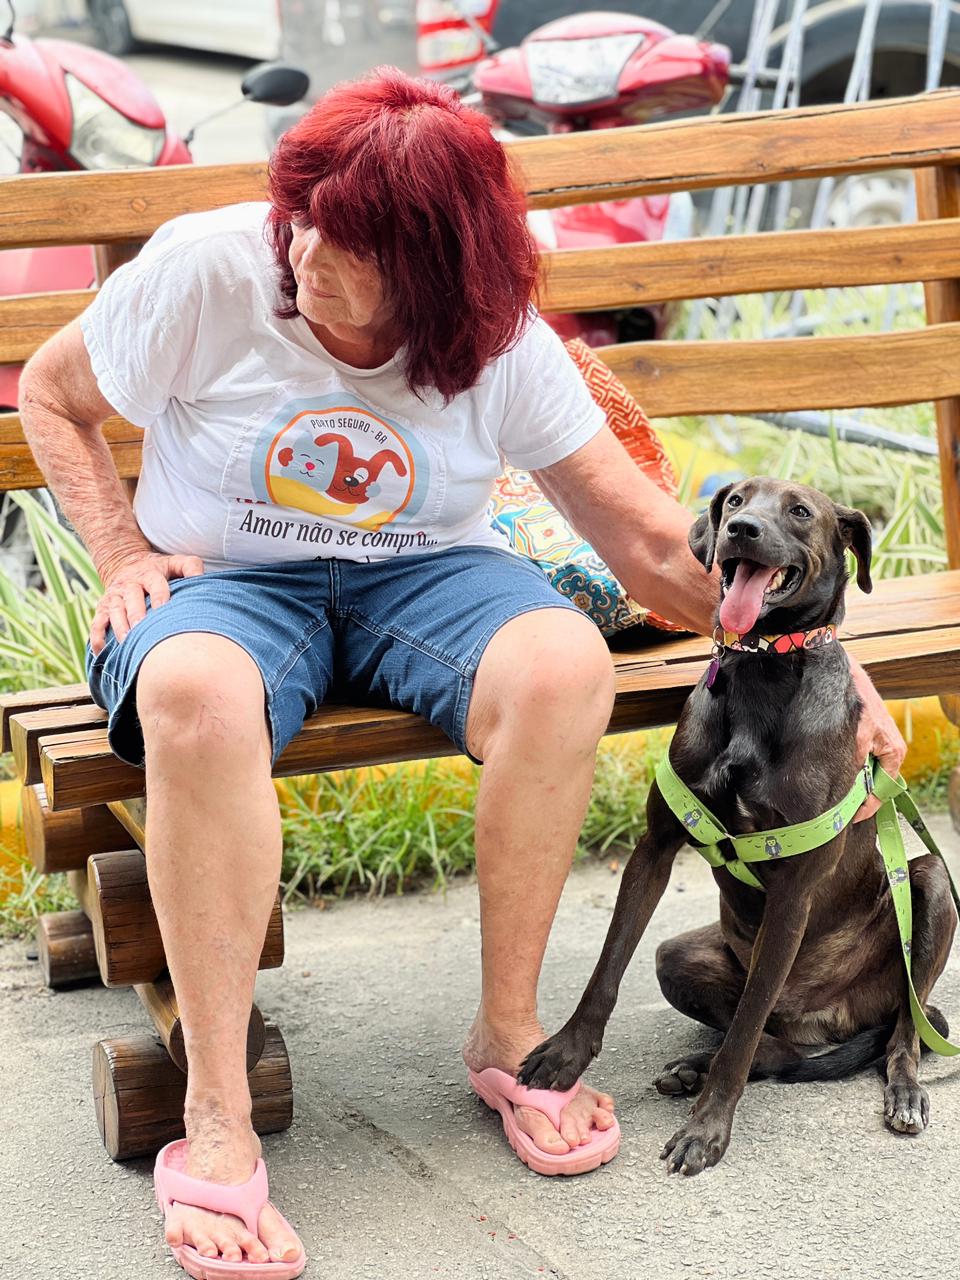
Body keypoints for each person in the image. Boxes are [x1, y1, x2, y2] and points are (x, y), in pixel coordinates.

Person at [18, 68, 905, 1277]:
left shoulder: (495, 339)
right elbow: (53, 394)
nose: (306, 252)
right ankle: (216, 1110)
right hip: (227, 577)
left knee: (562, 662)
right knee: (197, 698)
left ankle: (510, 1029)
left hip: (424, 575)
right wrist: (123, 551)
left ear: (435, 273)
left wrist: (825, 664)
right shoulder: (211, 270)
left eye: (350, 245)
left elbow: (649, 543)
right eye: (303, 218)